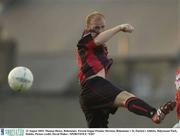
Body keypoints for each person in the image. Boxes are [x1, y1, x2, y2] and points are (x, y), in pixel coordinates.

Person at [76, 11, 176, 128]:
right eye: (96, 27)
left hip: (90, 95)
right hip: (94, 86)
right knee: (126, 97)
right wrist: (120, 27)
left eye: (102, 27)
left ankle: (154, 114)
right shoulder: (85, 40)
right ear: (88, 28)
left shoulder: (98, 49)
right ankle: (154, 114)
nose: (99, 30)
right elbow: (97, 40)